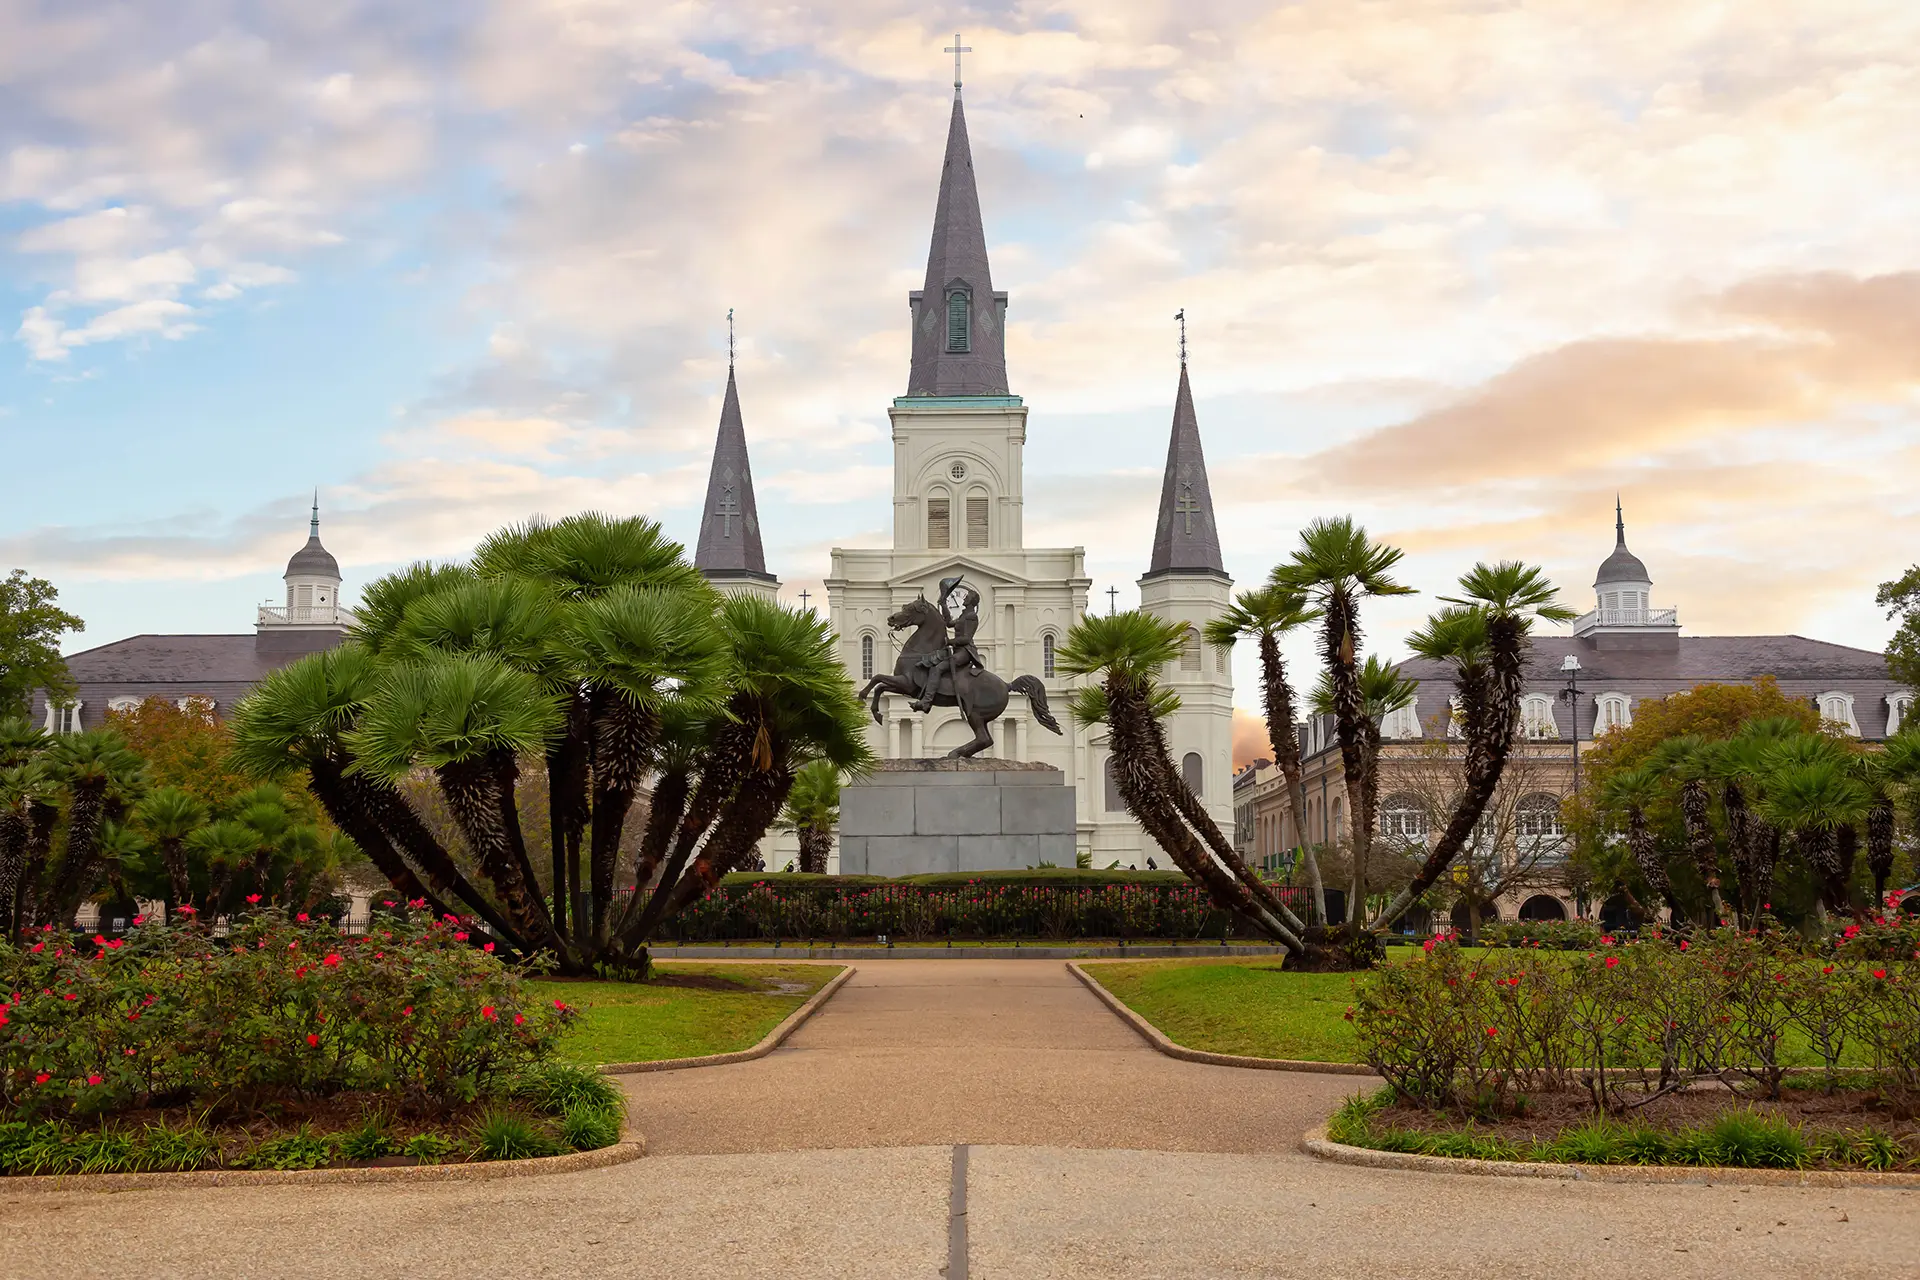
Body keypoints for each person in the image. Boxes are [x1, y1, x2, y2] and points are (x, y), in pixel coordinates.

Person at [910, 575, 982, 714]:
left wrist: (950, 641)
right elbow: (948, 622)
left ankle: (926, 702)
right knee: (929, 659)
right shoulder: (963, 615)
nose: (964, 598)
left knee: (938, 668)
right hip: (957, 650)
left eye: (967, 597)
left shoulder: (971, 617)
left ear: (972, 601)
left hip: (965, 652)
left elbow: (967, 639)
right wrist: (943, 603)